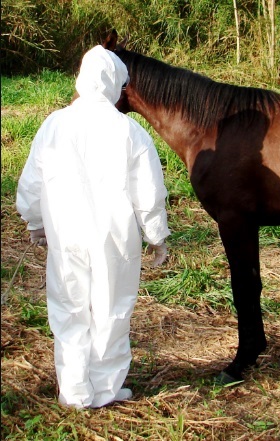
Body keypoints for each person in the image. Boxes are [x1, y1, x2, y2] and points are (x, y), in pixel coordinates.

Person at [16, 45, 170, 409]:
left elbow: (32, 182)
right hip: (114, 240)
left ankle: (74, 391)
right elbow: (148, 191)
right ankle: (105, 387)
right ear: (116, 83)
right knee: (111, 309)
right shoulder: (128, 130)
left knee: (69, 308)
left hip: (66, 235)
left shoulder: (54, 123)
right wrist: (156, 235)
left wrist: (36, 223)